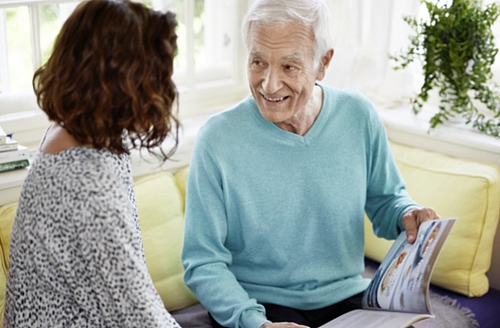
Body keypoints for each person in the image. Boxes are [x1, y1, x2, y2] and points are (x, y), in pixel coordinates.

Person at [181, 0, 440, 327]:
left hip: (348, 299)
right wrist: (255, 323)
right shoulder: (217, 140)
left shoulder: (358, 115)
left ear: (323, 63)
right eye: (258, 62)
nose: (269, 85)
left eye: (289, 67)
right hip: (257, 306)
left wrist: (408, 213)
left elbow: (386, 199)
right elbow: (202, 263)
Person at [4, 1, 180, 327]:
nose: (165, 90)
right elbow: (139, 319)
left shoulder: (73, 135)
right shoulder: (86, 185)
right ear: (117, 80)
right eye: (155, 76)